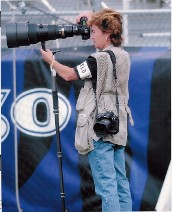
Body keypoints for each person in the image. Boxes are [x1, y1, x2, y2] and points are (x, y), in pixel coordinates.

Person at [40, 8, 134, 212]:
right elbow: (110, 21)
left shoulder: (97, 60)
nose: (91, 37)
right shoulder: (124, 55)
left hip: (100, 129)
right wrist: (92, 19)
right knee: (120, 184)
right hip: (118, 127)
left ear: (107, 33)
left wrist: (51, 61)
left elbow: (69, 75)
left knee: (106, 187)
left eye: (94, 32)